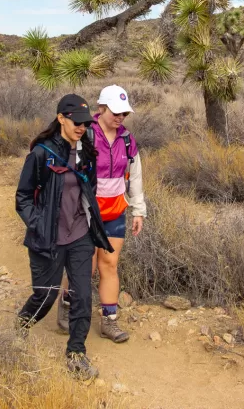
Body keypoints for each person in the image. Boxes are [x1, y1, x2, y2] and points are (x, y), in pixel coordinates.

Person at [15, 93, 113, 380]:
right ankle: (21, 325)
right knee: (45, 296)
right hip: (48, 238)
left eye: (85, 123)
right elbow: (22, 197)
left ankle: (76, 353)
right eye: (76, 122)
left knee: (82, 295)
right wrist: (38, 223)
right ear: (61, 118)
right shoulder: (42, 153)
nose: (81, 128)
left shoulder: (87, 152)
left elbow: (88, 188)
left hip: (80, 235)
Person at [56, 85, 146, 344]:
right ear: (101, 109)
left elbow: (135, 176)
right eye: (115, 112)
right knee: (87, 266)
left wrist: (138, 210)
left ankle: (109, 320)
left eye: (124, 113)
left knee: (109, 264)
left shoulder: (127, 140)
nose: (120, 118)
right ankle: (67, 303)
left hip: (115, 210)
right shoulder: (85, 135)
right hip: (85, 211)